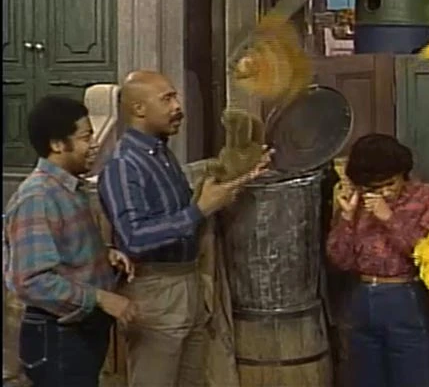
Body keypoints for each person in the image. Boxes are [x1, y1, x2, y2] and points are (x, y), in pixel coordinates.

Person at [98, 70, 268, 387]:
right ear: (139, 109)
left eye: (175, 97)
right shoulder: (124, 165)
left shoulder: (161, 154)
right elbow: (134, 237)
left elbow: (187, 210)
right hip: (156, 290)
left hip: (188, 283)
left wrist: (241, 177)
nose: (178, 106)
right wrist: (199, 210)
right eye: (167, 99)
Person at [3, 95, 138, 387]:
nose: (94, 145)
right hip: (58, 339)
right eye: (85, 137)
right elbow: (31, 280)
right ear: (57, 144)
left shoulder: (68, 188)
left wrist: (103, 255)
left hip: (79, 334)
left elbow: (61, 248)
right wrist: (100, 298)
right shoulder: (38, 197)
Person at [326, 133, 429, 387]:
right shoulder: (359, 200)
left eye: (390, 183)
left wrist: (388, 218)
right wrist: (346, 218)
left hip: (404, 295)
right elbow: (340, 259)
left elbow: (425, 252)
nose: (383, 192)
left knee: (414, 376)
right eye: (373, 188)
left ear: (403, 173)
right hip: (361, 297)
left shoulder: (426, 198)